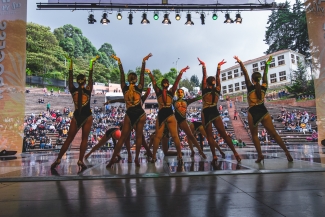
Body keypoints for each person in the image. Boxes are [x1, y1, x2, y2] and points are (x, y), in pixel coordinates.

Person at [234, 55, 293, 163]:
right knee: (274, 134)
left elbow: (245, 73)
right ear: (259, 79)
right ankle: (286, 152)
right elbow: (266, 74)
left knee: (254, 135)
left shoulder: (250, 86)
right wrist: (267, 64)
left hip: (253, 112)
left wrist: (240, 62)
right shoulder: (264, 86)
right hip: (263, 111)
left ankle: (260, 155)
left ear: (252, 79)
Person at [51, 55, 99, 171]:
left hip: (77, 116)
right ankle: (80, 160)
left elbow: (70, 76)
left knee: (69, 139)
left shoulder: (73, 89)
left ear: (77, 81)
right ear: (85, 81)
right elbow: (91, 76)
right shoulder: (88, 89)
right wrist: (92, 63)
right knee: (84, 139)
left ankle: (58, 159)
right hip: (87, 116)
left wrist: (71, 63)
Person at [106, 53, 152, 168]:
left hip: (130, 113)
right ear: (136, 80)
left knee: (122, 138)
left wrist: (119, 62)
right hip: (140, 113)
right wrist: (143, 61)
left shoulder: (124, 87)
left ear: (128, 79)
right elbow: (142, 75)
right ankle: (136, 158)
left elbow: (121, 74)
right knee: (139, 137)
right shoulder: (139, 87)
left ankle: (112, 159)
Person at [197, 57, 241, 163]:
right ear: (213, 83)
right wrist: (218, 67)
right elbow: (218, 78)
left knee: (210, 136)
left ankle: (214, 155)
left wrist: (204, 66)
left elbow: (204, 77)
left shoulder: (204, 89)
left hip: (207, 112)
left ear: (207, 83)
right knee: (224, 134)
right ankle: (235, 153)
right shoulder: (217, 89)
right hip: (215, 112)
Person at [146, 66, 188, 163]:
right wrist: (180, 73)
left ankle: (154, 156)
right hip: (169, 114)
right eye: (166, 83)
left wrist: (150, 73)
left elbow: (154, 82)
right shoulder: (170, 91)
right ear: (167, 85)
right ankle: (179, 155)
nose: (166, 84)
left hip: (163, 114)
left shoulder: (159, 91)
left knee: (158, 136)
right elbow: (176, 82)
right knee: (174, 136)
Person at [104, 87, 153, 162]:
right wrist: (110, 101)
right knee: (128, 138)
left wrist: (147, 88)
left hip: (136, 118)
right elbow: (119, 100)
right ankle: (132, 155)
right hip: (130, 118)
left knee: (140, 138)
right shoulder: (129, 99)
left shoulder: (141, 98)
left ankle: (147, 153)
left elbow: (147, 92)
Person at [173, 89, 206, 158]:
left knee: (190, 135)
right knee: (177, 137)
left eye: (181, 92)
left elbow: (195, 99)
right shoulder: (174, 102)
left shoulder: (186, 101)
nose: (180, 93)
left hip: (183, 120)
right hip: (176, 121)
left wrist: (202, 95)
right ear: (176, 93)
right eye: (178, 92)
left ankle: (200, 150)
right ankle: (179, 153)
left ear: (184, 93)